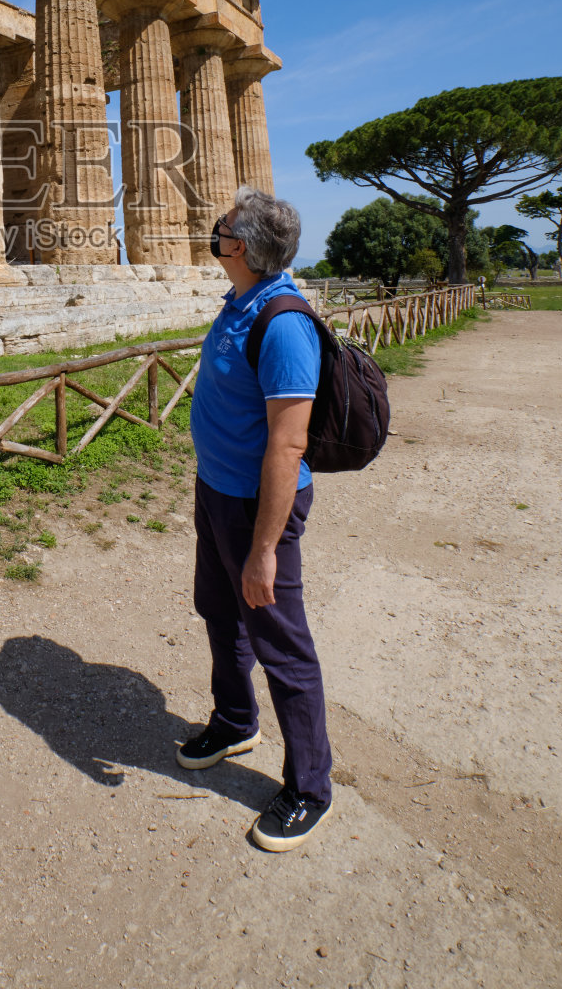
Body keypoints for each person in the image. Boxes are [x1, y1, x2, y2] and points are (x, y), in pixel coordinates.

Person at [176, 184, 334, 851]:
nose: (211, 230)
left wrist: (264, 548)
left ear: (237, 246)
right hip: (217, 492)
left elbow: (288, 445)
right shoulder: (240, 299)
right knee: (219, 612)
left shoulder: (284, 323)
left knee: (281, 644)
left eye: (219, 225)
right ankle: (236, 721)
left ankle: (310, 788)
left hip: (257, 510)